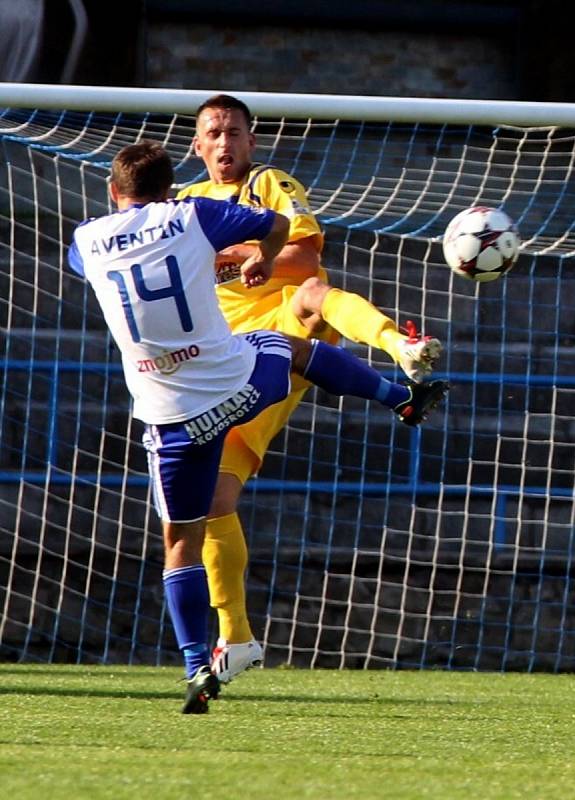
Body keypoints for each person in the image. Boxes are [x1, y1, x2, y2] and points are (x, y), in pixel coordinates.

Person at [67, 140, 448, 713]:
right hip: (233, 380)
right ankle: (400, 399)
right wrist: (259, 257)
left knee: (179, 545)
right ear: (172, 185)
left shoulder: (86, 241)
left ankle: (196, 666)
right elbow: (274, 226)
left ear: (113, 193)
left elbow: (98, 260)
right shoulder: (192, 212)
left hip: (166, 414)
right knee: (292, 351)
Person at [177, 94, 445, 683]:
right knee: (213, 500)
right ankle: (237, 639)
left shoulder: (268, 185)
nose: (224, 143)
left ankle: (401, 347)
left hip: (280, 327)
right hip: (222, 361)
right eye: (213, 133)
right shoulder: (182, 204)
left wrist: (236, 255)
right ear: (197, 146)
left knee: (312, 296)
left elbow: (299, 261)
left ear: (252, 141)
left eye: (234, 133)